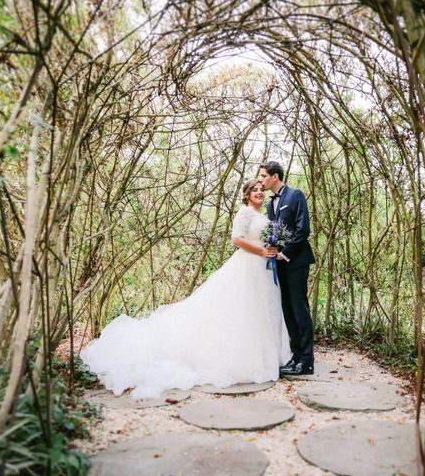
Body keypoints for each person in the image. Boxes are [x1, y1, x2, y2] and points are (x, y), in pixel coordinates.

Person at [80, 179, 291, 397]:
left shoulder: (264, 215)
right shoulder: (244, 212)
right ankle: (245, 361)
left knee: (258, 312)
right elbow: (236, 239)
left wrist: (271, 247)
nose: (259, 193)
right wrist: (262, 251)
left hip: (263, 270)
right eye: (254, 190)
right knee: (241, 310)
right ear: (247, 194)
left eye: (261, 190)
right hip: (247, 265)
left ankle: (263, 358)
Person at [259, 161, 316, 376]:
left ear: (275, 176)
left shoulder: (295, 195)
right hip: (279, 265)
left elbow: (303, 230)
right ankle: (295, 358)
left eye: (264, 176)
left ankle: (307, 361)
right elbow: (275, 233)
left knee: (300, 310)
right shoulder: (270, 204)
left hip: (296, 262)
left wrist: (285, 253)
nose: (262, 180)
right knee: (288, 311)